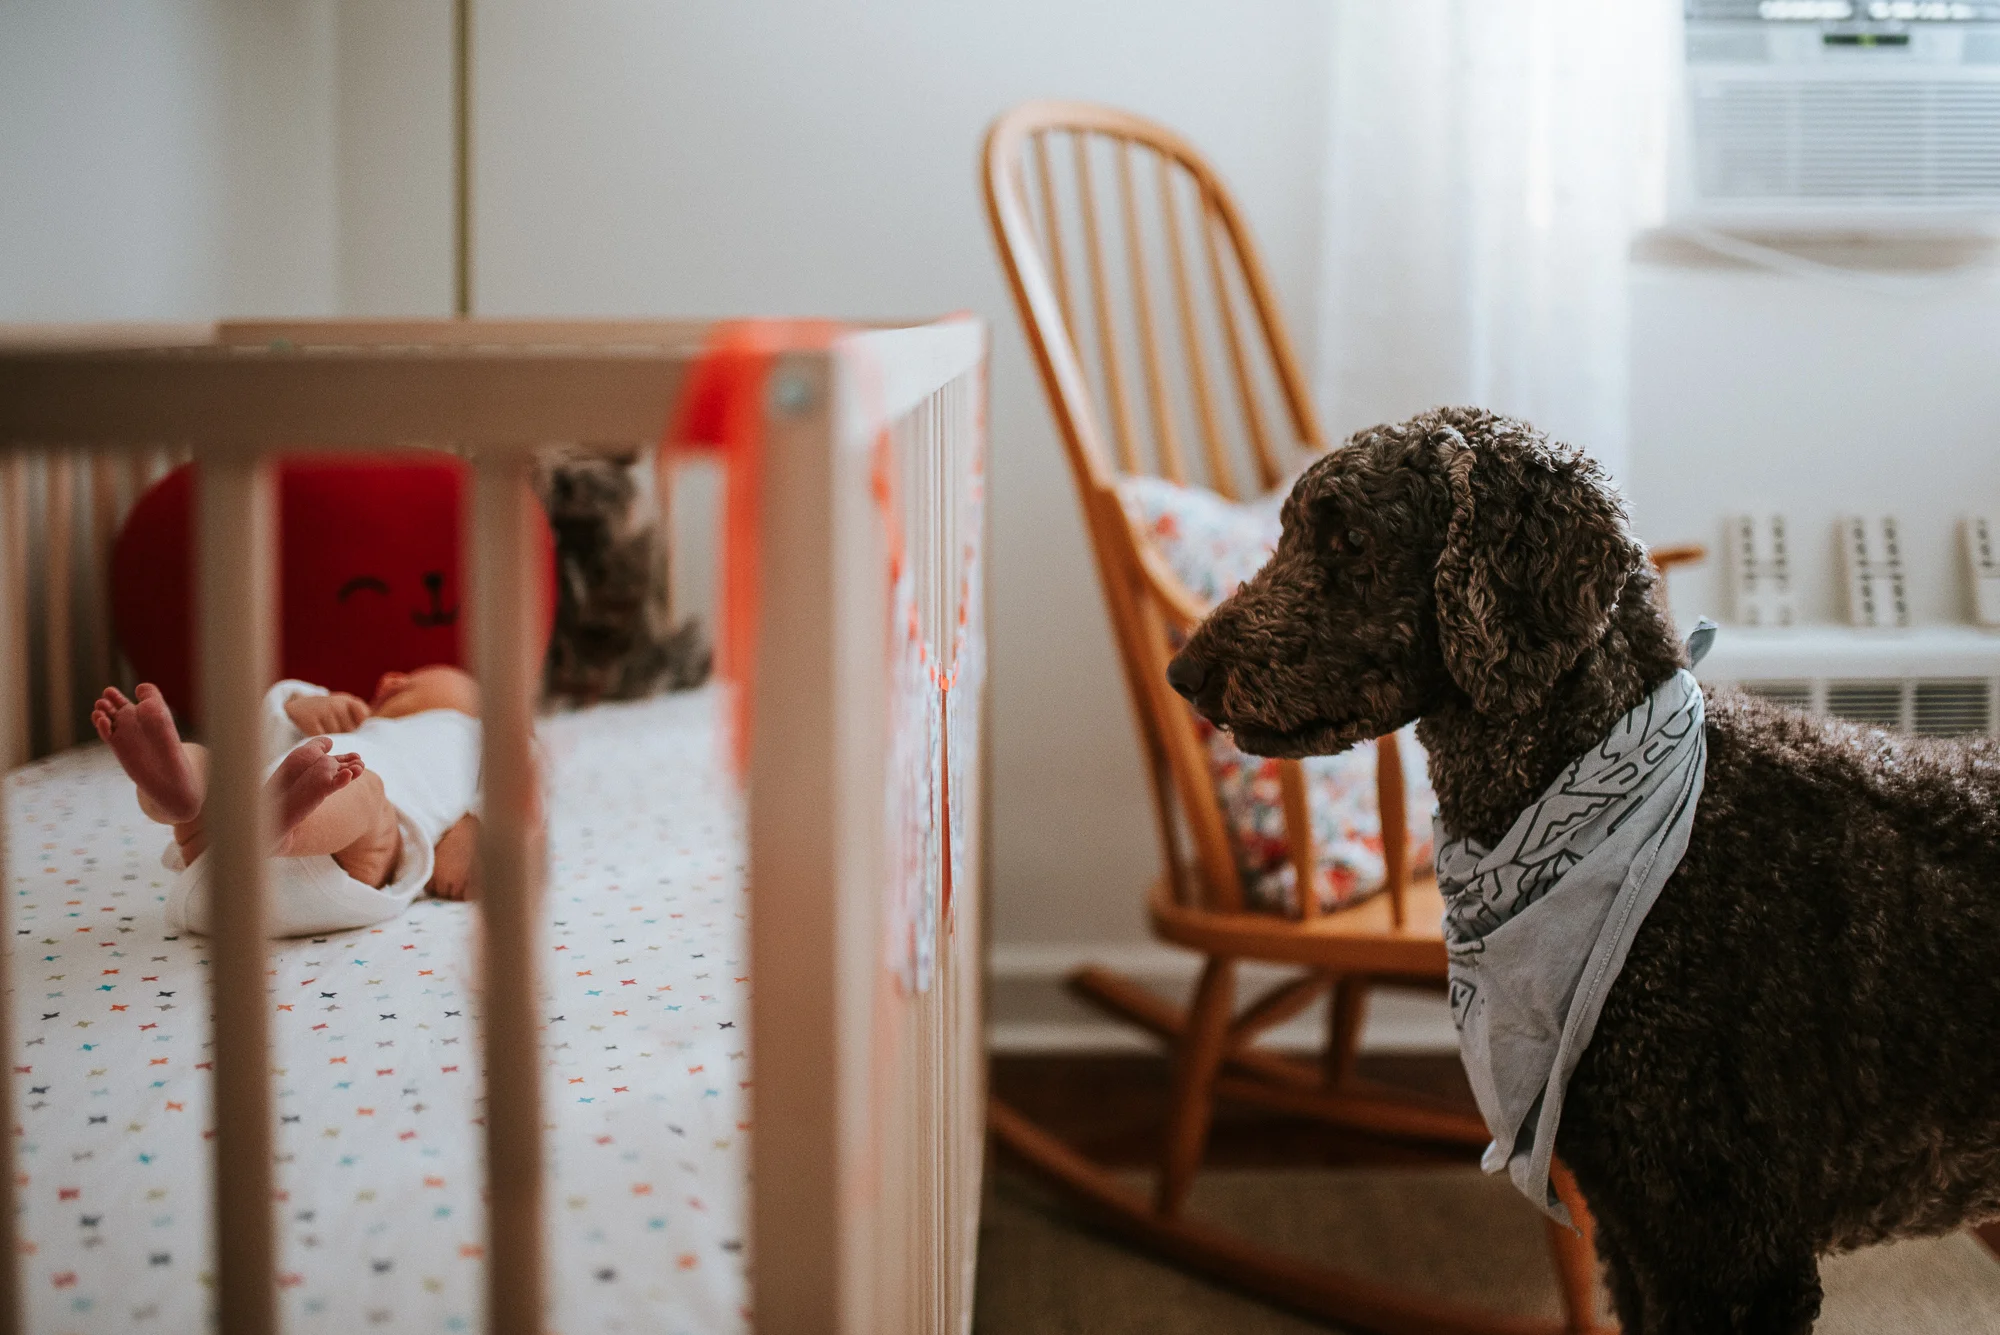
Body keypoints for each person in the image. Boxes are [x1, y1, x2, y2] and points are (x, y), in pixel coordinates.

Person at [93, 666, 483, 937]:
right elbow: (263, 737)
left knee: (364, 790)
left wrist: (472, 830)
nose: (395, 680)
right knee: (224, 772)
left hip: (358, 860)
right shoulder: (346, 720)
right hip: (228, 862)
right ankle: (182, 793)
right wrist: (298, 708)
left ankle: (278, 828)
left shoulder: (483, 737)